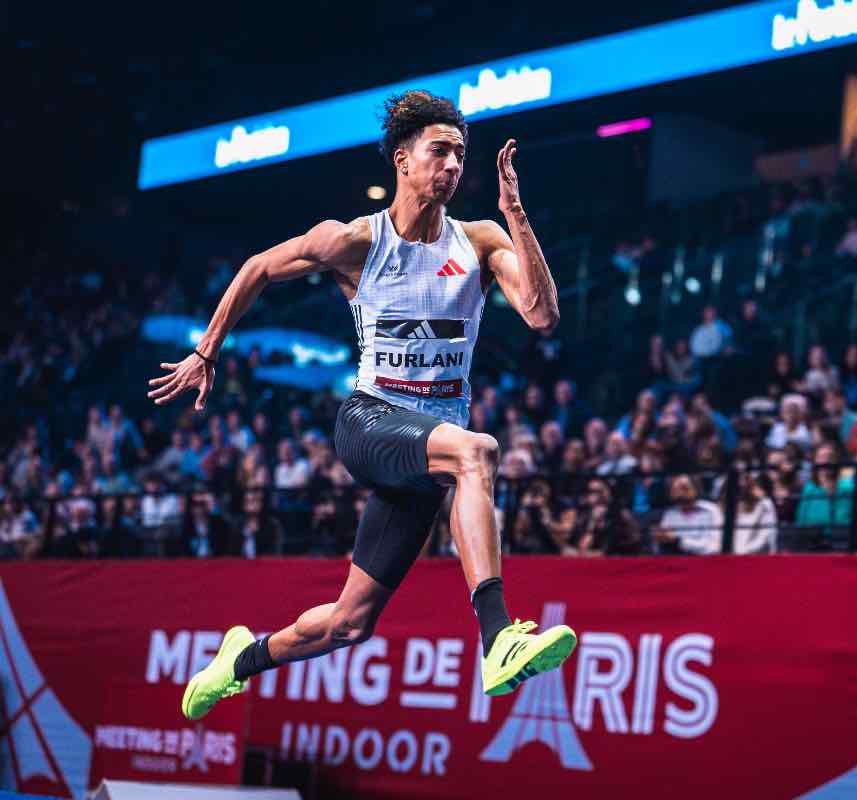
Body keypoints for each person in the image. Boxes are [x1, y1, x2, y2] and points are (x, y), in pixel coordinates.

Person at [151, 91, 577, 720]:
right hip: (370, 421)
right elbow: (259, 268)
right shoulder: (355, 240)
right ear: (403, 160)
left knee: (349, 625)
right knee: (477, 452)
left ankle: (237, 660)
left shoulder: (481, 239)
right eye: (440, 151)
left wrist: (514, 211)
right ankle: (499, 638)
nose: (454, 164)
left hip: (427, 447)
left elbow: (542, 314)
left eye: (461, 154)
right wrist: (208, 350)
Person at [795, 442, 854, 548]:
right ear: (815, 461)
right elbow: (800, 521)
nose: (826, 461)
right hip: (811, 542)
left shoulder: (848, 487)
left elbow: (853, 517)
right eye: (822, 457)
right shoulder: (809, 488)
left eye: (830, 457)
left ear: (836, 461)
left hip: (841, 542)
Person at [654, 475, 723, 555]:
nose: (680, 493)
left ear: (695, 489)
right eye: (675, 490)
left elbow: (712, 547)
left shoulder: (711, 510)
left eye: (684, 488)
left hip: (704, 561)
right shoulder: (670, 513)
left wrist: (678, 541)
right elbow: (662, 542)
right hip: (676, 561)